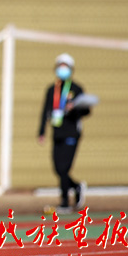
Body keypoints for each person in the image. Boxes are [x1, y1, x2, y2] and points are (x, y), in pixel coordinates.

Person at [38, 53, 91, 214]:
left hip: (71, 133)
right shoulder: (51, 90)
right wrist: (41, 131)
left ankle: (65, 202)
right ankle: (76, 187)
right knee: (57, 168)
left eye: (65, 66)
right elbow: (45, 112)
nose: (62, 69)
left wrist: (74, 108)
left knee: (64, 168)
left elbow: (87, 110)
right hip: (57, 133)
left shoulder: (76, 89)